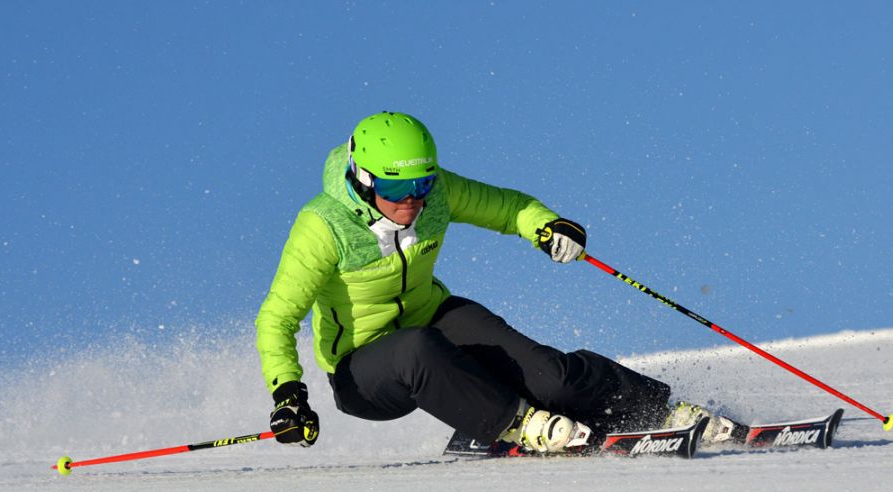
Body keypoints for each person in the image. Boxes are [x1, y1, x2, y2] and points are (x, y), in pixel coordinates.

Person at [255, 111, 720, 453]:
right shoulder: (323, 226)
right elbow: (277, 318)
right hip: (364, 372)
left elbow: (507, 207)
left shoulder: (434, 196)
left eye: (422, 185)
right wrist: (288, 392)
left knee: (548, 375)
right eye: (397, 190)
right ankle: (514, 423)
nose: (412, 201)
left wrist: (548, 226)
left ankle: (656, 409)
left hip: (432, 319)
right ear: (361, 179)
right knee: (416, 348)